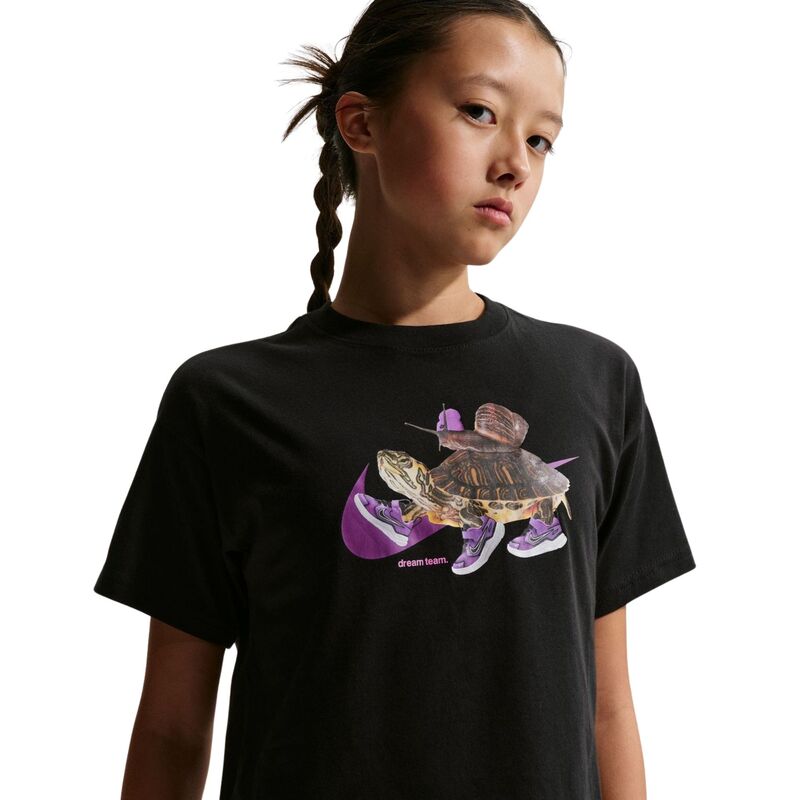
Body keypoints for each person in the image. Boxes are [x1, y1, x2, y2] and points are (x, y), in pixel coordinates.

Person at [93, 1, 697, 798]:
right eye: (479, 111)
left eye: (541, 139)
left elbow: (607, 710)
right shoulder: (227, 401)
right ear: (361, 123)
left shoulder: (593, 380)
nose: (515, 163)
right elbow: (172, 727)